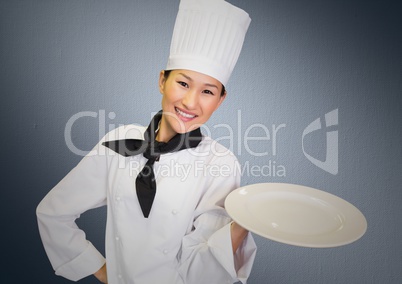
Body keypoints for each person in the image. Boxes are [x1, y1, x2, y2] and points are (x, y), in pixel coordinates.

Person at [37, 0, 257, 283]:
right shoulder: (119, 142)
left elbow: (204, 272)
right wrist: (103, 271)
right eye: (183, 83)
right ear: (162, 80)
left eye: (208, 91)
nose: (190, 102)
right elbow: (53, 212)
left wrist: (245, 224)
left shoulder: (221, 164)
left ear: (220, 100)